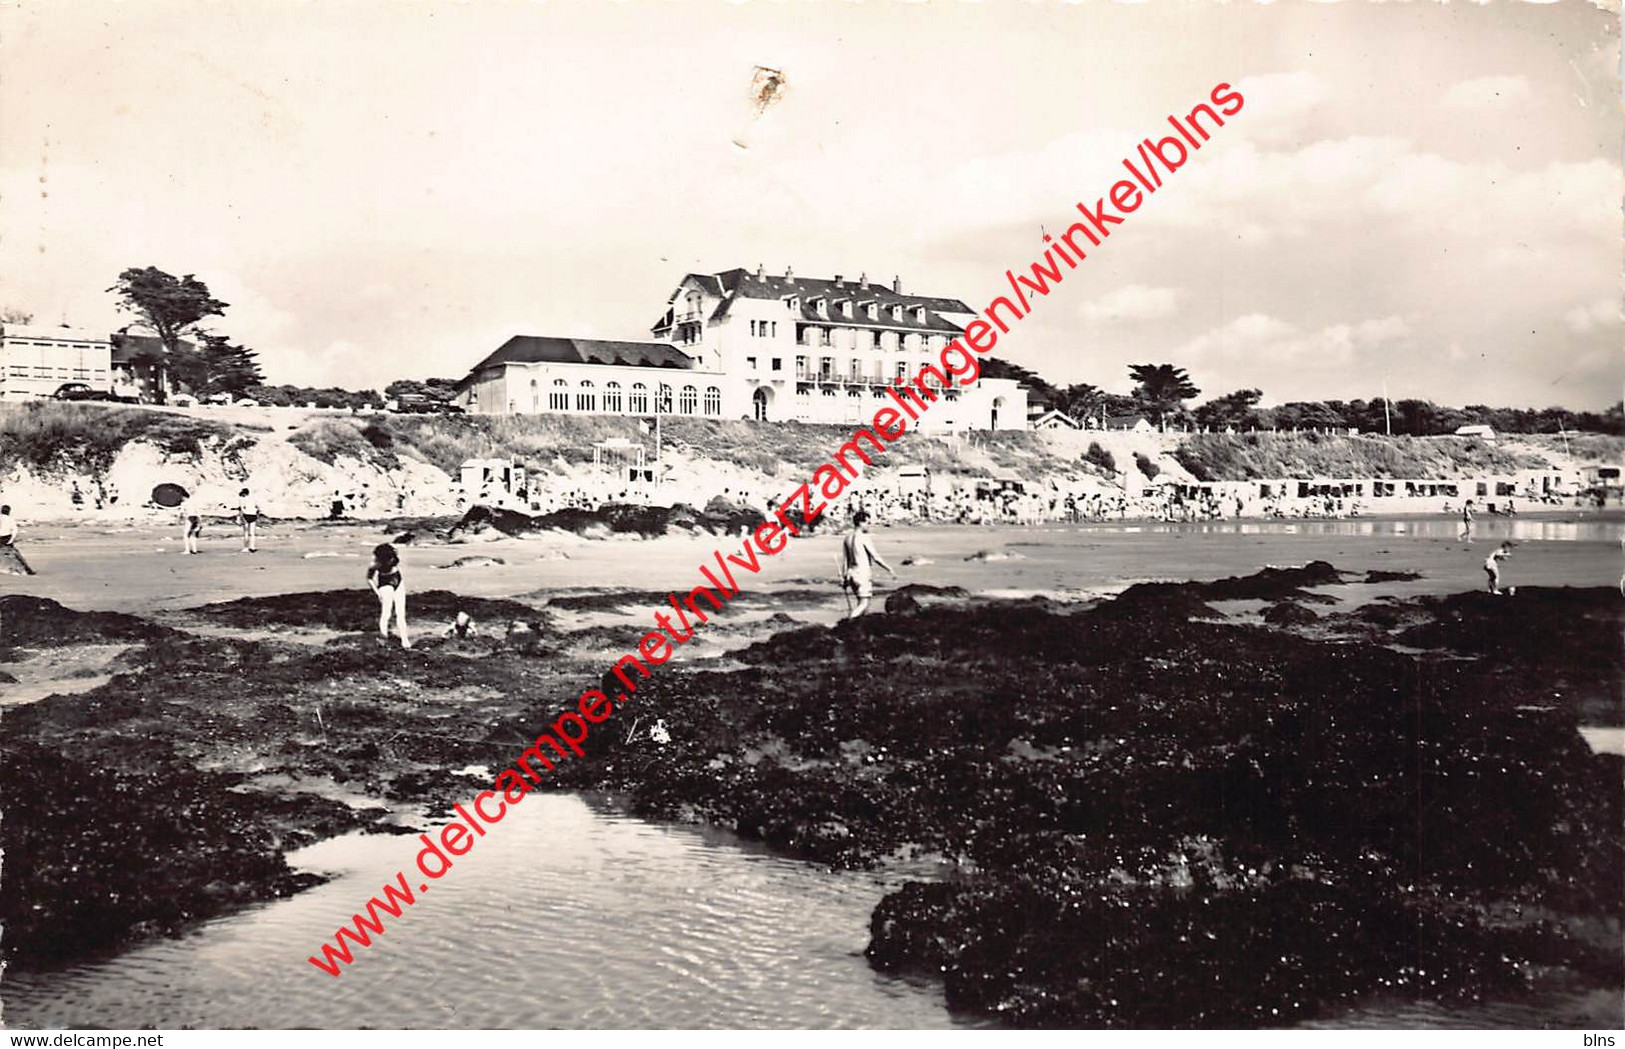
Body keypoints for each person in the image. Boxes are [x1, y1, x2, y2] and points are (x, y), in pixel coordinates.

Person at [840, 509, 896, 619]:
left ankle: (857, 629)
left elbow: (845, 560)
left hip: (851, 573)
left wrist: (845, 576)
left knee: (861, 604)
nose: (868, 525)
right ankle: (848, 623)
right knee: (864, 604)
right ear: (861, 523)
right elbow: (875, 557)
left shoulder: (847, 538)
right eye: (867, 522)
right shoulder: (864, 537)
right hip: (862, 573)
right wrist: (889, 568)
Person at [367, 542, 412, 649]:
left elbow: (394, 547)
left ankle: (405, 640)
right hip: (385, 583)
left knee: (401, 613)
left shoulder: (394, 557)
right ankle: (384, 638)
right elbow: (369, 578)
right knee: (386, 613)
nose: (392, 559)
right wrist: (377, 592)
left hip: (398, 579)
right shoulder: (376, 564)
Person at [238, 487, 260, 553]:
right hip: (253, 515)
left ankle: (245, 547)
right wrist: (257, 515)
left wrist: (241, 518)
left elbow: (241, 509)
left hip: (246, 514)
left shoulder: (242, 499)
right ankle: (252, 547)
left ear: (243, 493)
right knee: (252, 533)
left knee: (246, 533)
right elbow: (258, 508)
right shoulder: (253, 499)